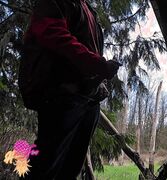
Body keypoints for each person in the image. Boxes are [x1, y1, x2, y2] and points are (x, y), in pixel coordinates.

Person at [20, 0, 120, 179]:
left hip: (88, 100)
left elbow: (90, 51)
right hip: (61, 95)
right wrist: (98, 65)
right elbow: (54, 36)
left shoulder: (88, 9)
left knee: (70, 169)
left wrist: (98, 81)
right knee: (45, 167)